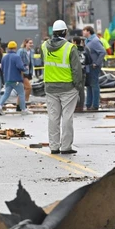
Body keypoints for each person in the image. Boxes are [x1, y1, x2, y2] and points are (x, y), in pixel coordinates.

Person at [42, 20, 83, 155]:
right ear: (65, 32)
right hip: (68, 87)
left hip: (50, 87)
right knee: (67, 117)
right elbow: (77, 70)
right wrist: (79, 87)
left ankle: (54, 146)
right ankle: (65, 147)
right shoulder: (70, 47)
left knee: (53, 117)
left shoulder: (44, 46)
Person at [0, 41, 32, 115]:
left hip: (7, 79)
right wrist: (25, 68)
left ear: (8, 48)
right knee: (21, 93)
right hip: (16, 79)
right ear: (15, 48)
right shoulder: (16, 57)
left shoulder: (4, 57)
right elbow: (20, 66)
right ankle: (24, 110)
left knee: (6, 94)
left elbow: (2, 68)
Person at [83, 26, 106, 111]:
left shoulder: (95, 41)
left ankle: (95, 105)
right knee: (89, 85)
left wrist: (96, 63)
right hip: (89, 66)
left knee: (94, 84)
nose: (83, 32)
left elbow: (103, 52)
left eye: (84, 31)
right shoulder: (88, 41)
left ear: (88, 32)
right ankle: (88, 104)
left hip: (94, 67)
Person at [71, 37, 88, 112]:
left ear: (74, 42)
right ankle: (81, 106)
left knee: (74, 89)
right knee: (81, 90)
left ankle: (75, 106)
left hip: (75, 72)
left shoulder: (73, 50)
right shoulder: (85, 50)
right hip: (83, 71)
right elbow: (88, 60)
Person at [17, 38, 34, 107]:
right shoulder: (21, 51)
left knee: (22, 89)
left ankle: (18, 106)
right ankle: (24, 103)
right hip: (22, 72)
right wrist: (23, 67)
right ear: (25, 43)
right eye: (30, 43)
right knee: (29, 88)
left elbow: (31, 62)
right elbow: (17, 60)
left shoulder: (31, 51)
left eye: (32, 43)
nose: (31, 44)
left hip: (28, 72)